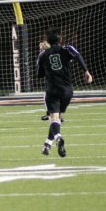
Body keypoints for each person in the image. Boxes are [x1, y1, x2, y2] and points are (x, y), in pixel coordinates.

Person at [36, 28, 93, 157]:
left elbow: (39, 75)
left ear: (48, 41)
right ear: (60, 39)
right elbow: (78, 56)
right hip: (67, 90)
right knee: (57, 118)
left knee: (54, 118)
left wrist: (42, 55)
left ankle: (58, 138)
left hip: (52, 90)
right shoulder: (67, 49)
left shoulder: (43, 55)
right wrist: (86, 71)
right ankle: (47, 144)